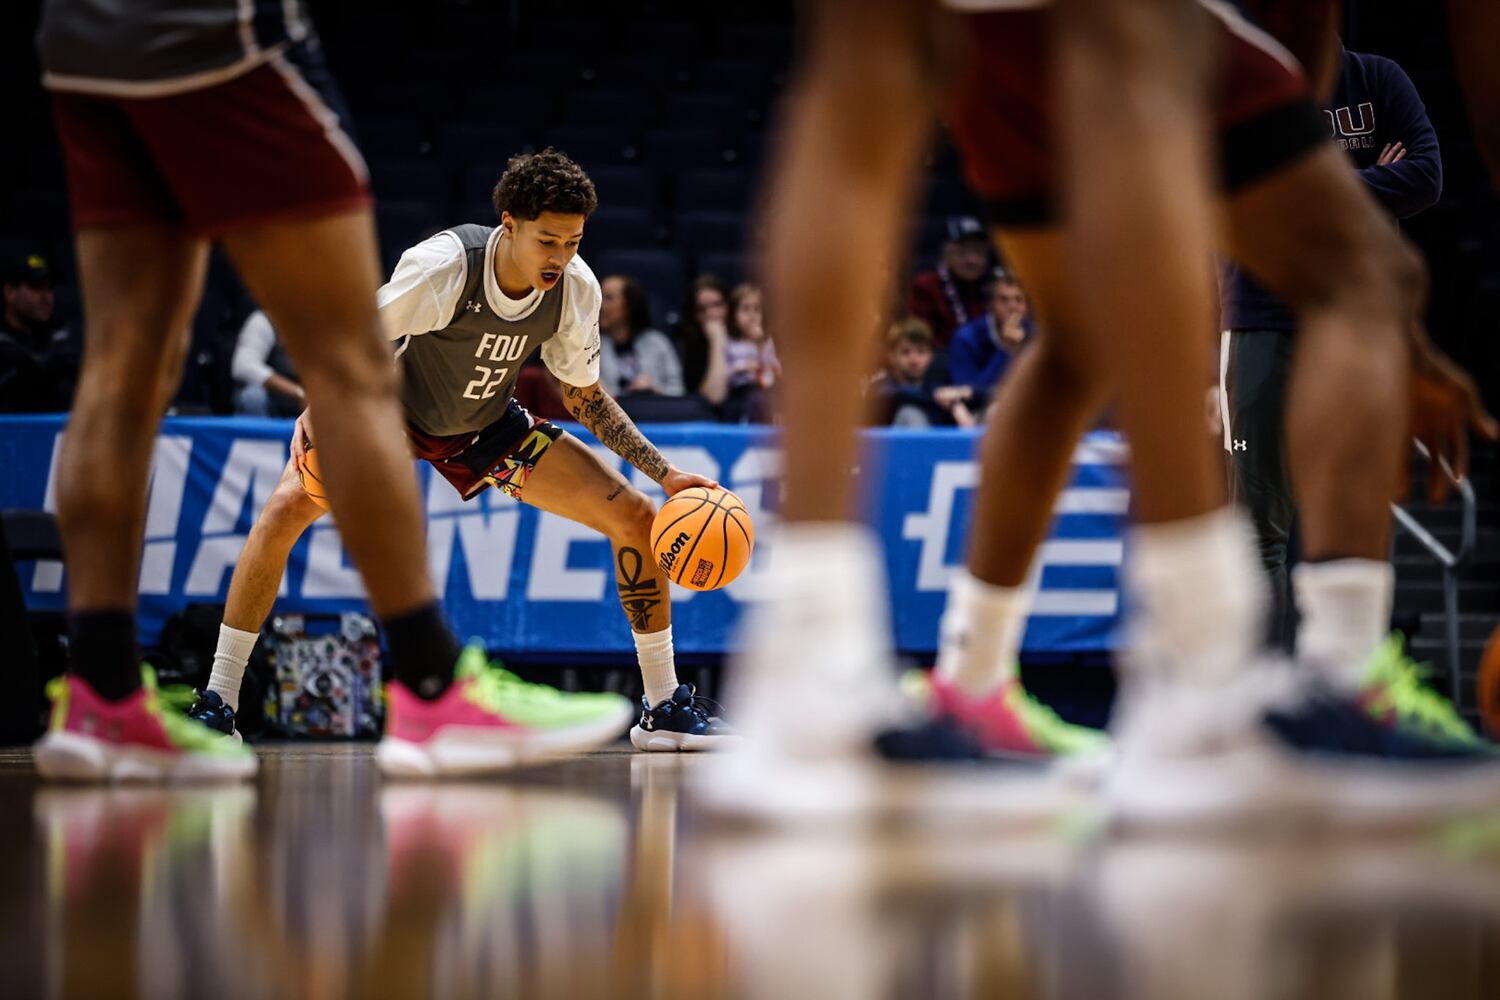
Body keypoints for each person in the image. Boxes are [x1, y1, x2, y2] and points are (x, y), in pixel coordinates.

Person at [723, 0, 1500, 824]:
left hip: (991, 56)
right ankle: (1236, 676)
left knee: (865, 61)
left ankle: (839, 670)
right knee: (1352, 267)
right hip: (1135, 69)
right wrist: (1265, 155)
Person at [31, 3, 629, 782]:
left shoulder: (564, 286)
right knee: (350, 356)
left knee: (121, 364)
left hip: (82, 40)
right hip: (216, 36)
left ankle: (103, 697)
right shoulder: (453, 262)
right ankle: (431, 686)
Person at [187, 150, 737, 755]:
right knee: (286, 508)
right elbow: (355, 341)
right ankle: (216, 700)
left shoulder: (576, 287)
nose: (559, 257)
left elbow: (584, 397)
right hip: (388, 416)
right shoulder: (444, 265)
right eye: (547, 241)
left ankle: (663, 709)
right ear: (509, 223)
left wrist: (665, 474)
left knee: (635, 516)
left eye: (572, 242)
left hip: (483, 427)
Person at [1219, 40, 1450, 664]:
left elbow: (1427, 176)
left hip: (1353, 323)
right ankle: (1261, 683)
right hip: (1257, 324)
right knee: (1258, 524)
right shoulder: (1237, 79)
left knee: (1356, 516)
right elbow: (1232, 198)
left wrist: (1310, 187)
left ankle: (1348, 682)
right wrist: (1370, 180)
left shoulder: (1378, 78)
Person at [0, 251, 78, 413]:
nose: (47, 297)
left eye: (49, 289)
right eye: (36, 288)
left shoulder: (61, 334)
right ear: (9, 292)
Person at [869, 318, 977, 428]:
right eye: (905, 352)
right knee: (910, 413)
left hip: (937, 442)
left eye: (921, 352)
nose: (914, 361)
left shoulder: (935, 386)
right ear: (891, 356)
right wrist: (950, 402)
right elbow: (896, 394)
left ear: (931, 356)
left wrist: (955, 401)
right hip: (891, 444)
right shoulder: (880, 387)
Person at [905, 215, 991, 349]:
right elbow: (919, 339)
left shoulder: (995, 286)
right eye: (963, 251)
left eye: (978, 251)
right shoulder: (926, 286)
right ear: (946, 254)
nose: (972, 259)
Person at [597, 274, 685, 398]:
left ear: (628, 306)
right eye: (598, 296)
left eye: (608, 298)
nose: (599, 304)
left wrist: (655, 389)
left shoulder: (657, 343)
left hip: (653, 413)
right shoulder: (590, 346)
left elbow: (679, 390)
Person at [947, 274, 1029, 398]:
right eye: (1003, 300)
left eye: (1019, 300)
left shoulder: (1038, 337)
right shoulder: (965, 338)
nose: (1012, 307)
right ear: (990, 305)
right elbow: (967, 393)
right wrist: (1006, 349)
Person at [720, 283, 779, 423]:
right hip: (739, 393)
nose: (752, 315)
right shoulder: (730, 343)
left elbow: (774, 370)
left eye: (757, 310)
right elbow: (723, 374)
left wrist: (760, 344)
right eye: (745, 309)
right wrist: (740, 368)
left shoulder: (766, 342)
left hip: (764, 392)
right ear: (734, 315)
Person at [230, 309, 305, 417]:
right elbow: (243, 366)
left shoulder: (322, 325)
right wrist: (299, 392)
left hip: (311, 399)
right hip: (273, 398)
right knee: (252, 396)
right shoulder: (264, 321)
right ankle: (257, 432)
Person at [674, 275, 732, 406]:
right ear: (694, 315)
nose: (711, 314)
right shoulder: (690, 348)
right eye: (702, 309)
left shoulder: (747, 337)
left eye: (717, 305)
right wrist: (717, 340)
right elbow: (715, 396)